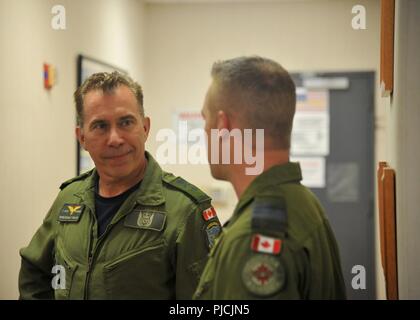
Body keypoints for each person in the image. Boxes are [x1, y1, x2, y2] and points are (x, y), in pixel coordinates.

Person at [19, 71, 221, 299]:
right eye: (100, 126)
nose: (115, 138)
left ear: (145, 128)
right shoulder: (69, 197)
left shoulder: (186, 212)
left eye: (126, 122)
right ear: (82, 137)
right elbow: (35, 272)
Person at [194, 56, 346, 299]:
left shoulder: (250, 240)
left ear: (222, 126)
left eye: (206, 119)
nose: (204, 131)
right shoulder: (303, 203)